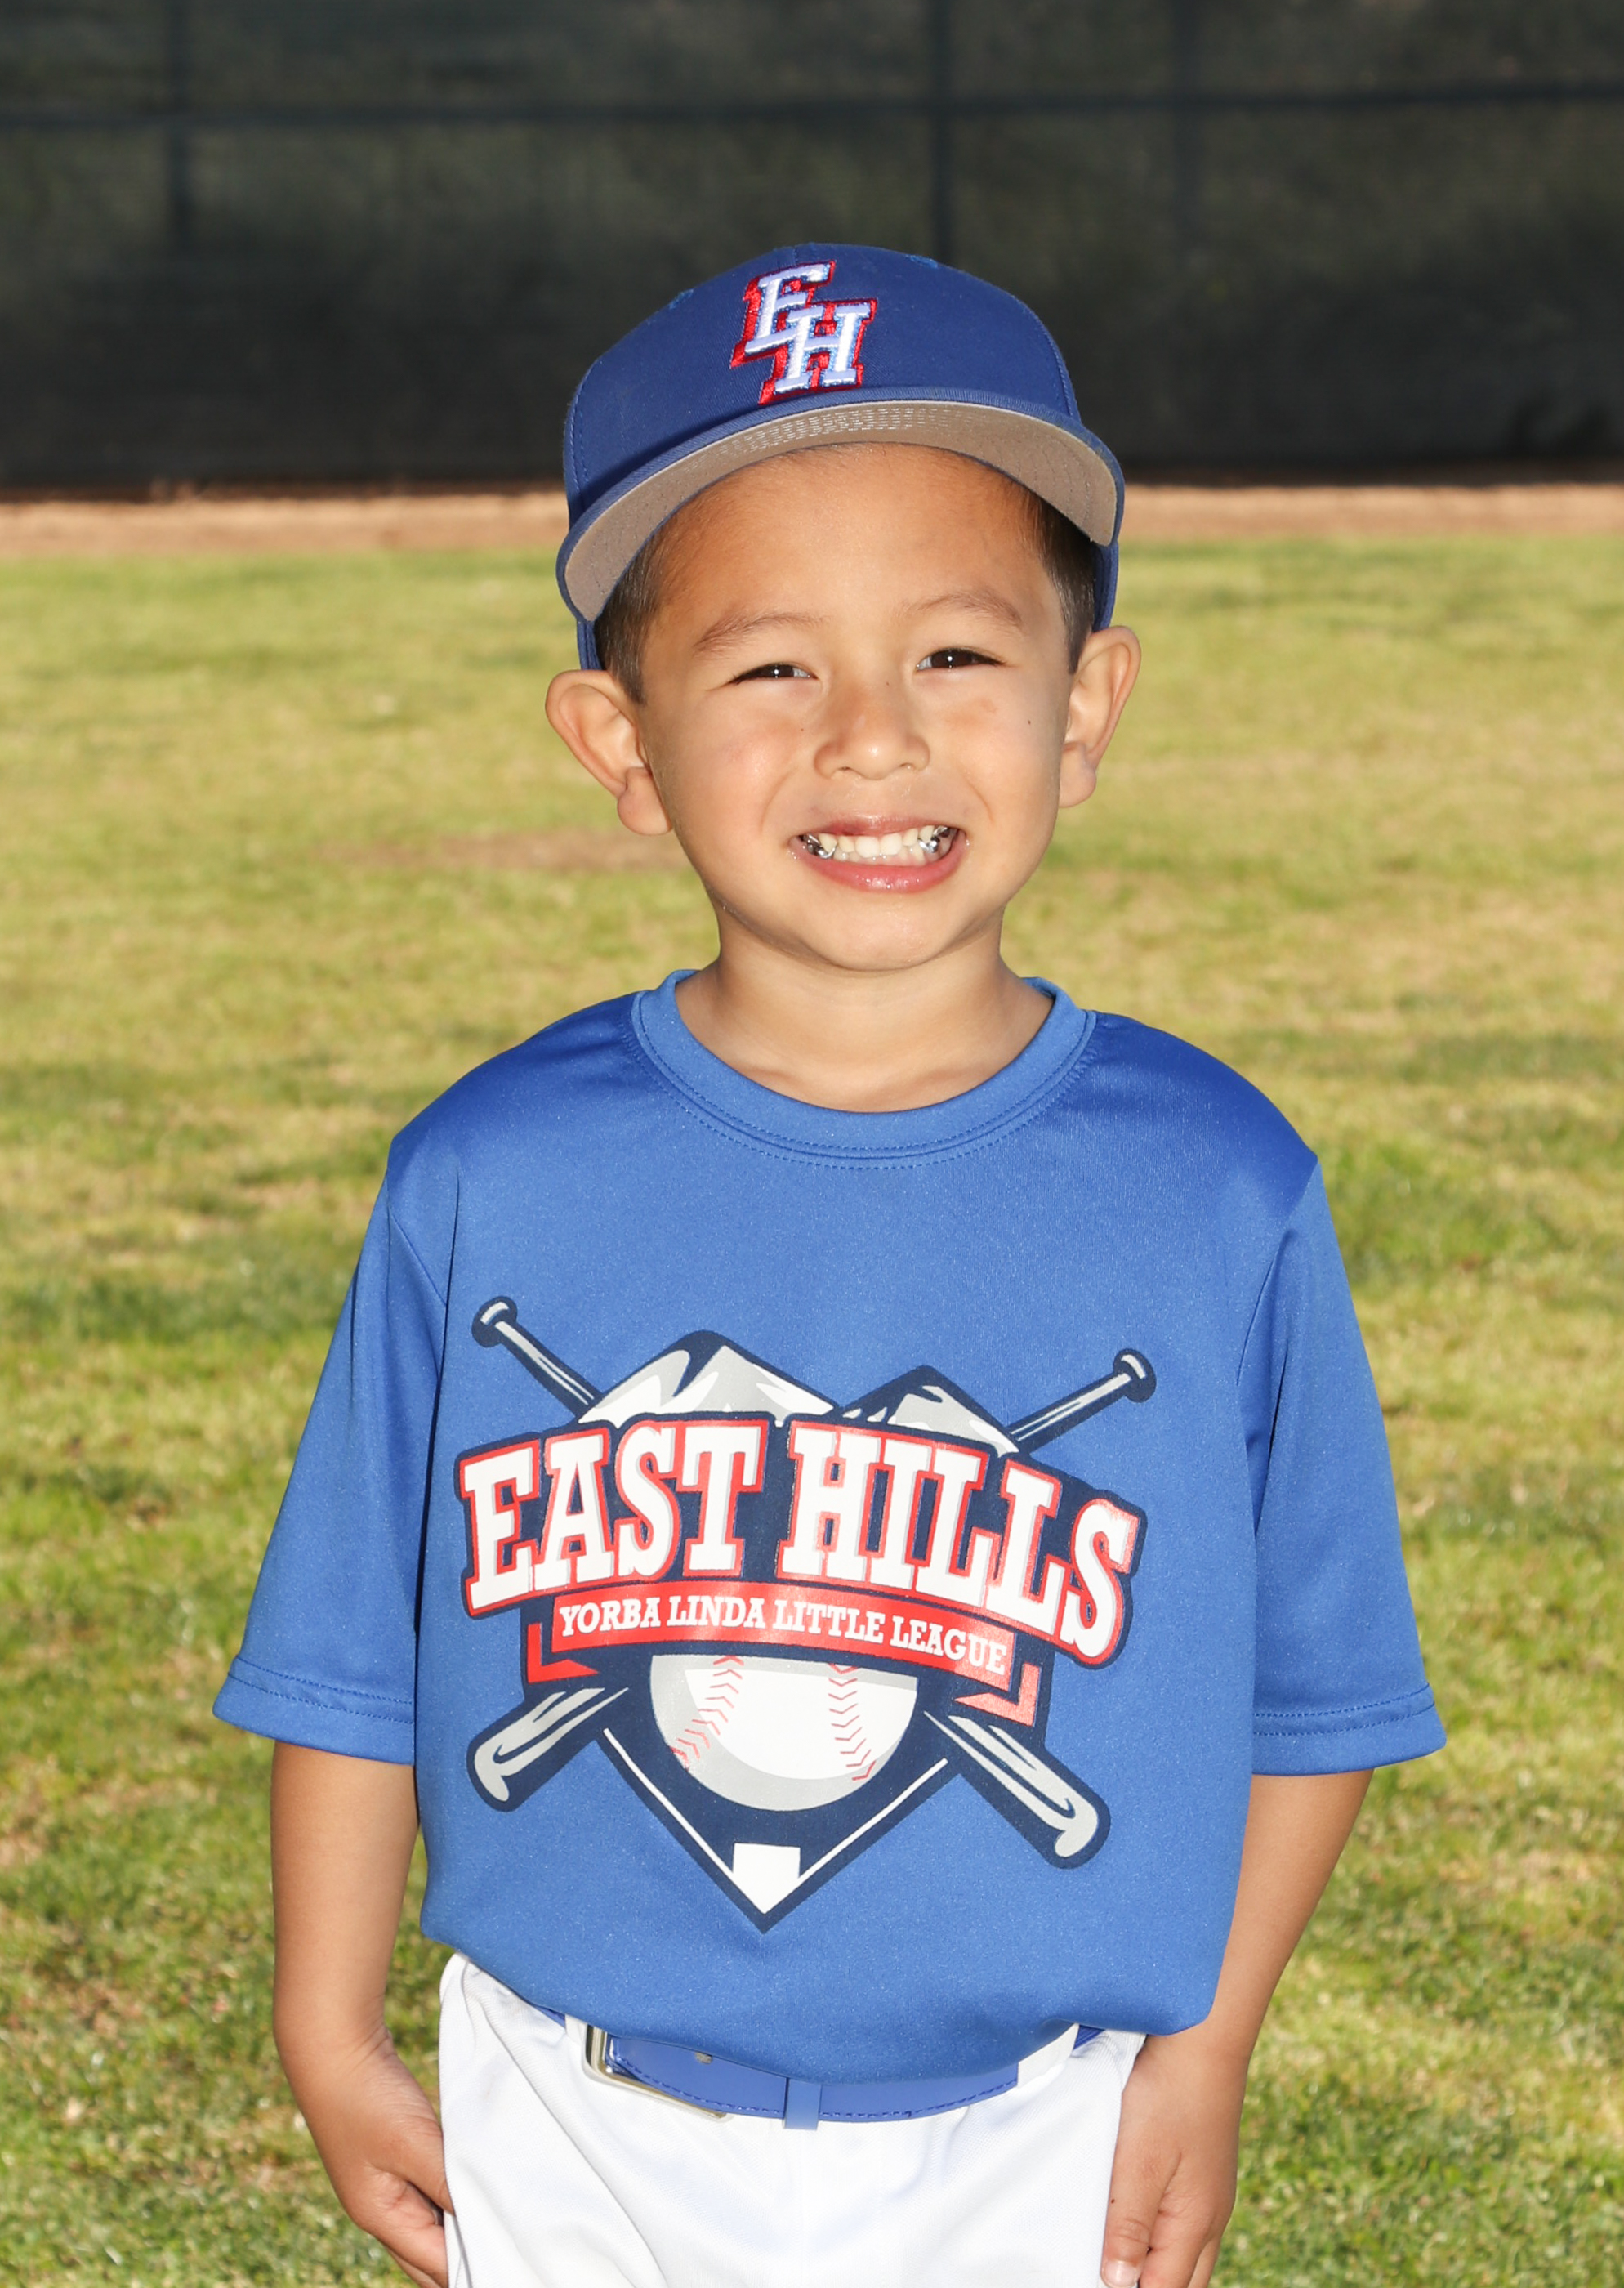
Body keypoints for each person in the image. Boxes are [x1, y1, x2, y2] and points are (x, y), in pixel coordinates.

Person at [215, 245, 1443, 2288]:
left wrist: (1207, 2039)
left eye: (955, 652)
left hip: (1039, 2127)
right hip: (573, 2110)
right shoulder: (490, 1174)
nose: (872, 739)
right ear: (620, 739)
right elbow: (353, 1658)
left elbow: (1312, 1692)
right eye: (771, 669)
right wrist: (326, 2023)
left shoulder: (1214, 1184)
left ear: (1084, 705)